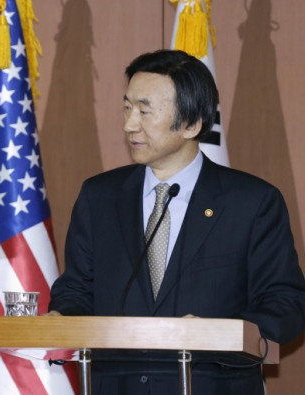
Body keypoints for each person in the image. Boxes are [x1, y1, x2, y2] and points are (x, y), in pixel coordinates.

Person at [48, 49, 305, 394]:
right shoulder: (100, 197)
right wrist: (60, 318)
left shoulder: (252, 202)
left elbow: (286, 302)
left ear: (191, 124)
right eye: (127, 108)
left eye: (144, 111)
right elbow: (76, 289)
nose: (129, 124)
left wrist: (220, 332)